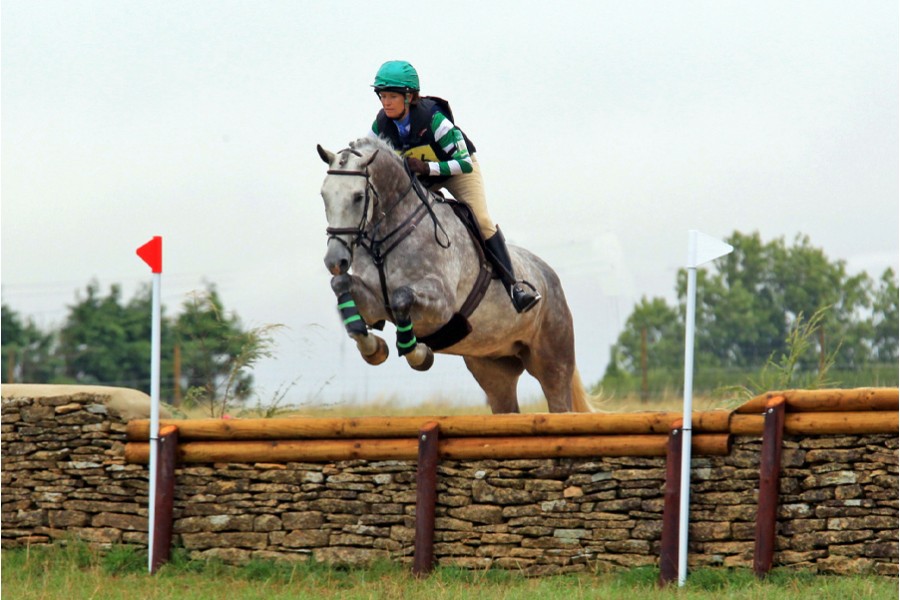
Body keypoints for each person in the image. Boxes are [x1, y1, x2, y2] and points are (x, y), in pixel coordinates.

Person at [366, 60, 541, 313]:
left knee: (480, 220)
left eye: (392, 96)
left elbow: (464, 163)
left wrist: (428, 169)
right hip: (423, 178)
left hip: (457, 171)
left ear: (409, 96)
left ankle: (515, 288)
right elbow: (367, 153)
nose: (386, 102)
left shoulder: (434, 120)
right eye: (382, 96)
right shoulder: (381, 125)